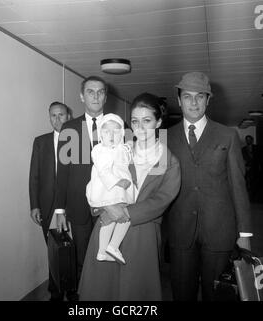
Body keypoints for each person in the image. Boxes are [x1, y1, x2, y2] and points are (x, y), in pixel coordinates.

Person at [78, 92, 181, 301]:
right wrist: (104, 207)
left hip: (142, 232)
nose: (140, 127)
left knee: (134, 292)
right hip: (107, 225)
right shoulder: (118, 149)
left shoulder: (167, 160)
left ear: (159, 122)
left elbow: (161, 200)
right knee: (102, 292)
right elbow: (96, 181)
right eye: (134, 121)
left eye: (147, 121)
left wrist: (125, 211)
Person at [167, 71, 253, 301]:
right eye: (187, 96)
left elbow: (238, 185)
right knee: (181, 293)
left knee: (217, 294)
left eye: (200, 96)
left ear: (208, 99)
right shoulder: (165, 138)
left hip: (220, 230)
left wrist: (244, 232)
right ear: (178, 100)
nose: (193, 102)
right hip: (179, 231)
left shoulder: (228, 135)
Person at [55, 76, 109, 287]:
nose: (96, 96)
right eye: (90, 91)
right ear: (81, 96)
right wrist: (60, 210)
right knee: (81, 257)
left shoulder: (118, 125)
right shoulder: (69, 127)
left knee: (105, 256)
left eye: (100, 91)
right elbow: (63, 172)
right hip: (78, 206)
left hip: (108, 205)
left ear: (105, 96)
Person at [29, 101, 72, 301]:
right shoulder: (41, 142)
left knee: (73, 249)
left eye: (61, 115)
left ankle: (73, 290)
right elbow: (34, 176)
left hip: (72, 205)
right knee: (54, 250)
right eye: (53, 115)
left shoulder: (78, 141)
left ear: (68, 116)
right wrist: (34, 205)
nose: (57, 119)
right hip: (48, 206)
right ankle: (55, 291)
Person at [86, 113, 134, 264]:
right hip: (107, 191)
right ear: (100, 133)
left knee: (110, 221)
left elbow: (127, 161)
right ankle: (113, 246)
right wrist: (119, 182)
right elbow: (103, 171)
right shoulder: (100, 150)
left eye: (116, 131)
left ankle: (102, 251)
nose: (111, 135)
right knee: (124, 218)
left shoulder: (120, 148)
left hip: (118, 192)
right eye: (107, 131)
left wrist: (129, 148)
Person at [242, 135, 261, 202]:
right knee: (247, 184)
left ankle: (256, 199)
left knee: (256, 184)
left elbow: (259, 158)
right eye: (247, 139)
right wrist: (245, 166)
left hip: (256, 169)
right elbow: (242, 159)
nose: (248, 141)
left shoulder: (257, 148)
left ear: (252, 140)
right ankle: (249, 199)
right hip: (247, 169)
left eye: (249, 139)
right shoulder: (243, 149)